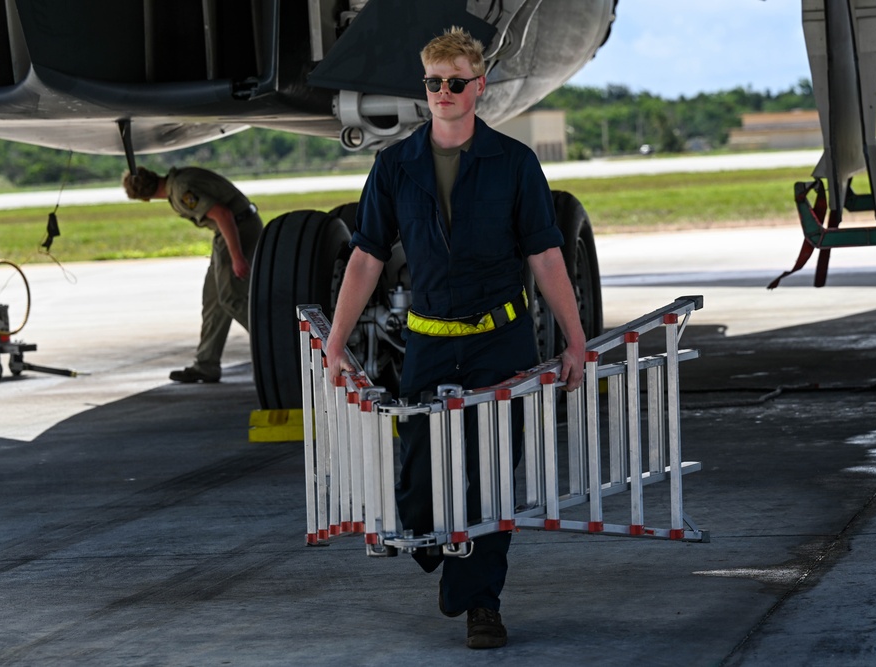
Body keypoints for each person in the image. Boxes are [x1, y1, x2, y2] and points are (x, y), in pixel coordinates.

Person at [325, 27, 586, 649]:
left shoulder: (515, 163)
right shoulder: (395, 166)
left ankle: (480, 605)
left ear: (478, 86)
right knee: (421, 480)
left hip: (501, 340)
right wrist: (336, 342)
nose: (444, 93)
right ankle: (443, 548)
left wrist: (575, 340)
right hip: (429, 342)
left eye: (456, 82)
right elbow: (366, 258)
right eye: (435, 83)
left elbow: (547, 255)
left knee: (491, 474)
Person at [122, 166, 263, 383]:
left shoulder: (180, 191)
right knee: (213, 298)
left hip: (236, 228)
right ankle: (206, 364)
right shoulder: (179, 180)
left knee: (231, 297)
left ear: (144, 198)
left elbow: (223, 214)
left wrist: (236, 257)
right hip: (231, 228)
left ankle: (278, 347)